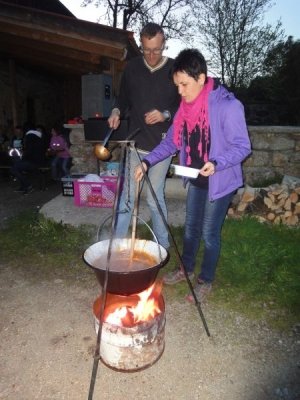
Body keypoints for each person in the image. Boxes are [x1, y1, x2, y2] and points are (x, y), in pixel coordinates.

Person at [135, 49, 251, 303]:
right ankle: (185, 269)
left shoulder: (228, 106)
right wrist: (147, 161)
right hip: (196, 177)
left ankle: (205, 280)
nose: (180, 92)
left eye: (184, 84)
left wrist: (218, 162)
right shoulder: (185, 110)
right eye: (177, 85)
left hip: (220, 178)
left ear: (201, 78)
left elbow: (242, 146)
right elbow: (171, 143)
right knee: (190, 229)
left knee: (209, 233)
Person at [108, 22, 180, 249]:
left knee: (153, 196)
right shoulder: (131, 68)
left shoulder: (175, 69)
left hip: (161, 147)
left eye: (156, 50)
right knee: (127, 198)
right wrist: (116, 111)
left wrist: (165, 114)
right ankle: (116, 246)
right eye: (146, 49)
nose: (151, 55)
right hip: (135, 144)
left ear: (164, 44)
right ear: (141, 45)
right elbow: (123, 99)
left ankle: (163, 246)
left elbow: (186, 107)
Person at [11, 124, 47, 194]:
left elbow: (29, 152)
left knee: (14, 168)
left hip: (35, 162)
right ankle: (23, 186)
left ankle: (28, 185)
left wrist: (23, 155)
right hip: (38, 160)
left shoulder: (30, 136)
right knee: (17, 166)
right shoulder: (37, 136)